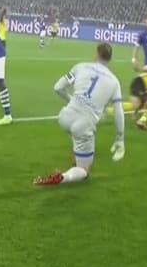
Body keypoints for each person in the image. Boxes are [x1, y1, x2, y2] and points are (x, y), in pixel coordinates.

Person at [35, 42, 126, 187]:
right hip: (84, 124)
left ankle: (76, 159)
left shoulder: (81, 66)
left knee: (77, 139)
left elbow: (58, 87)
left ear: (97, 53)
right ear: (110, 58)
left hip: (65, 117)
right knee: (84, 171)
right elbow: (118, 111)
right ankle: (62, 177)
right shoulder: (114, 82)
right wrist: (120, 137)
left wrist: (72, 100)